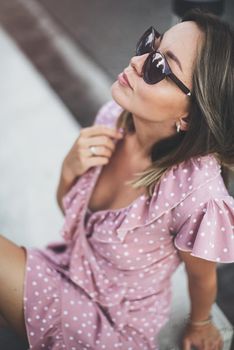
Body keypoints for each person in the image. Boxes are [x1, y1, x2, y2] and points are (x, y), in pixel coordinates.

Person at [0, 8, 234, 350]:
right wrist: (69, 168)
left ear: (190, 115)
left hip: (109, 323)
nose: (138, 61)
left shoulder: (196, 195)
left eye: (159, 67)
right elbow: (73, 219)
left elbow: (202, 277)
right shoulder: (115, 117)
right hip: (66, 267)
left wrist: (201, 323)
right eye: (149, 45)